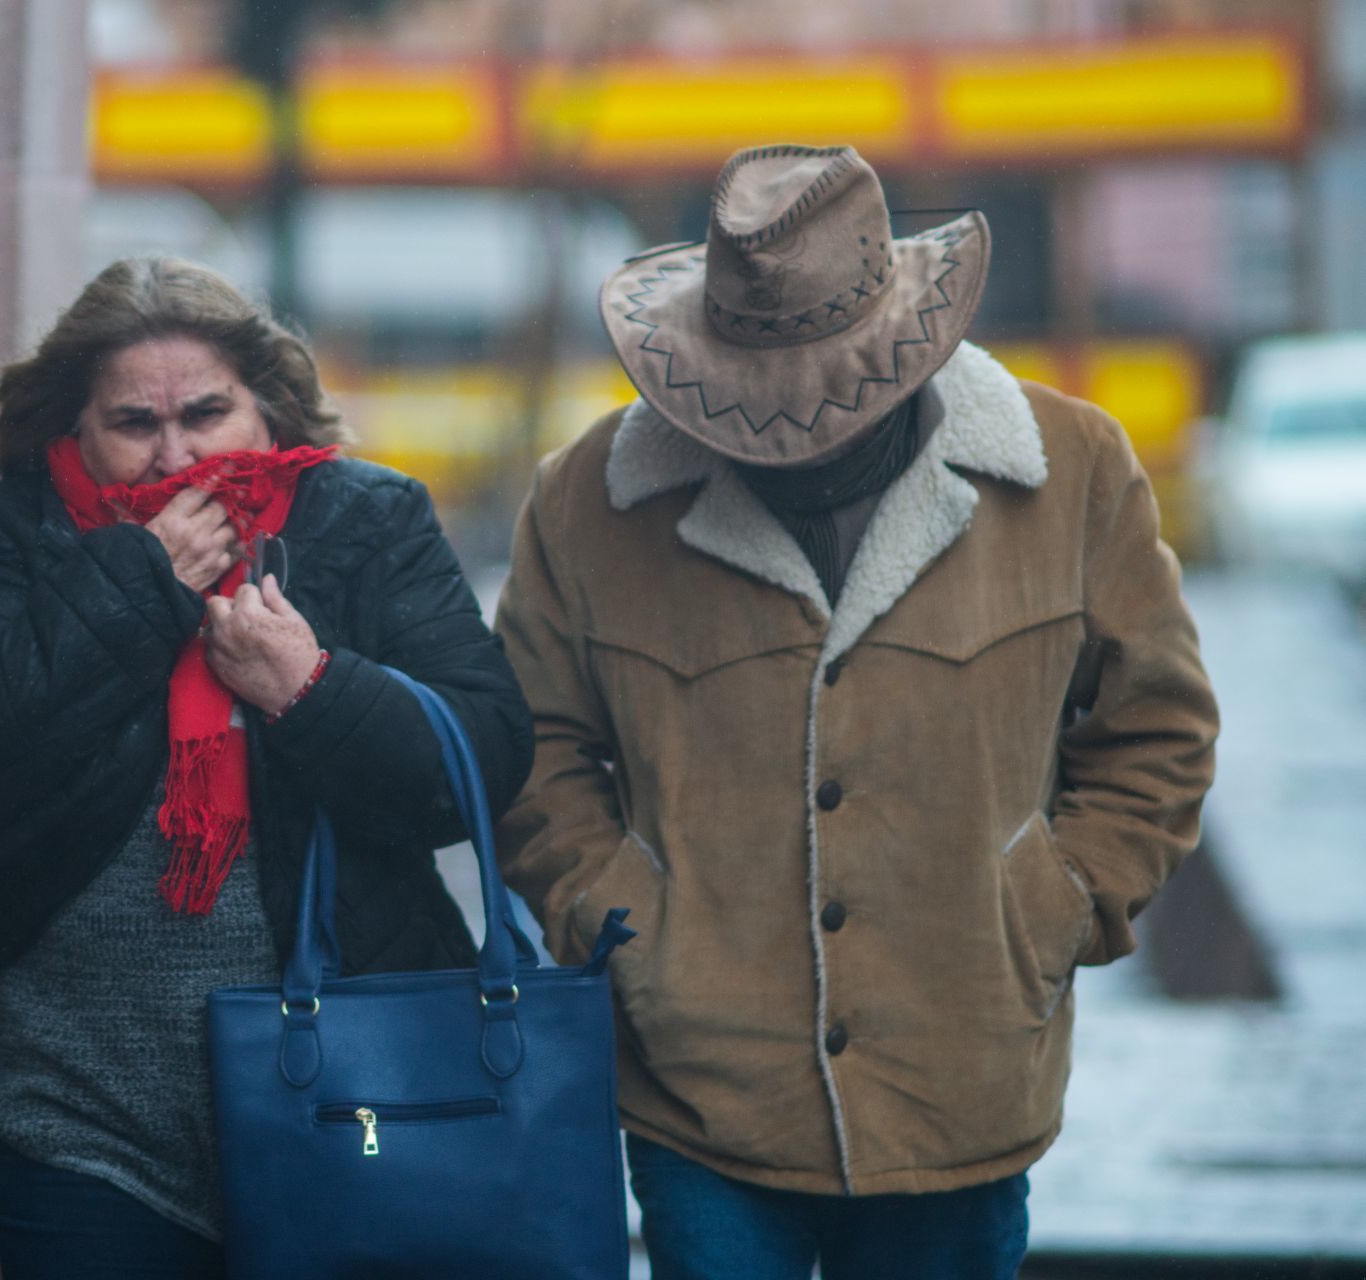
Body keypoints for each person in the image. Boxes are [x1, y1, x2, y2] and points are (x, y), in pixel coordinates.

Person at [493, 145, 1218, 1280]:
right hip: (700, 1086)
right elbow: (527, 746)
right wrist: (612, 913)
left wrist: (1056, 903)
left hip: (962, 1076)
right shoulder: (587, 502)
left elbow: (1158, 729)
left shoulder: (1071, 470)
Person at [0, 256, 533, 1279]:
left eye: (206, 413)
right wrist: (138, 585)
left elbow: (481, 756)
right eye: (134, 422)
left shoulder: (369, 520)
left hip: (350, 1090)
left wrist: (307, 685)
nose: (173, 453)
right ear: (73, 429)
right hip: (75, 1107)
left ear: (268, 411)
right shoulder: (8, 537)